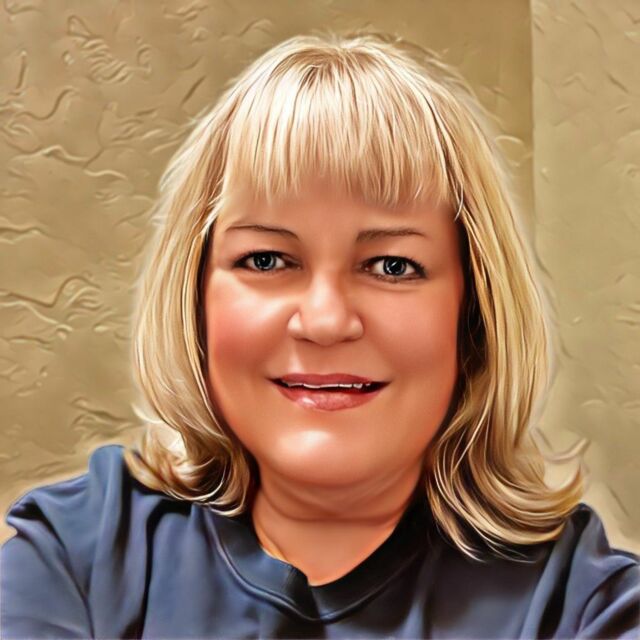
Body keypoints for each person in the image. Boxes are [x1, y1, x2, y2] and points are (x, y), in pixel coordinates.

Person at [1, 30, 638, 640]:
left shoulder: (581, 604)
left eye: (392, 266)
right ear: (195, 300)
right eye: (266, 260)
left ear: (474, 313)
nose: (326, 321)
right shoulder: (73, 561)